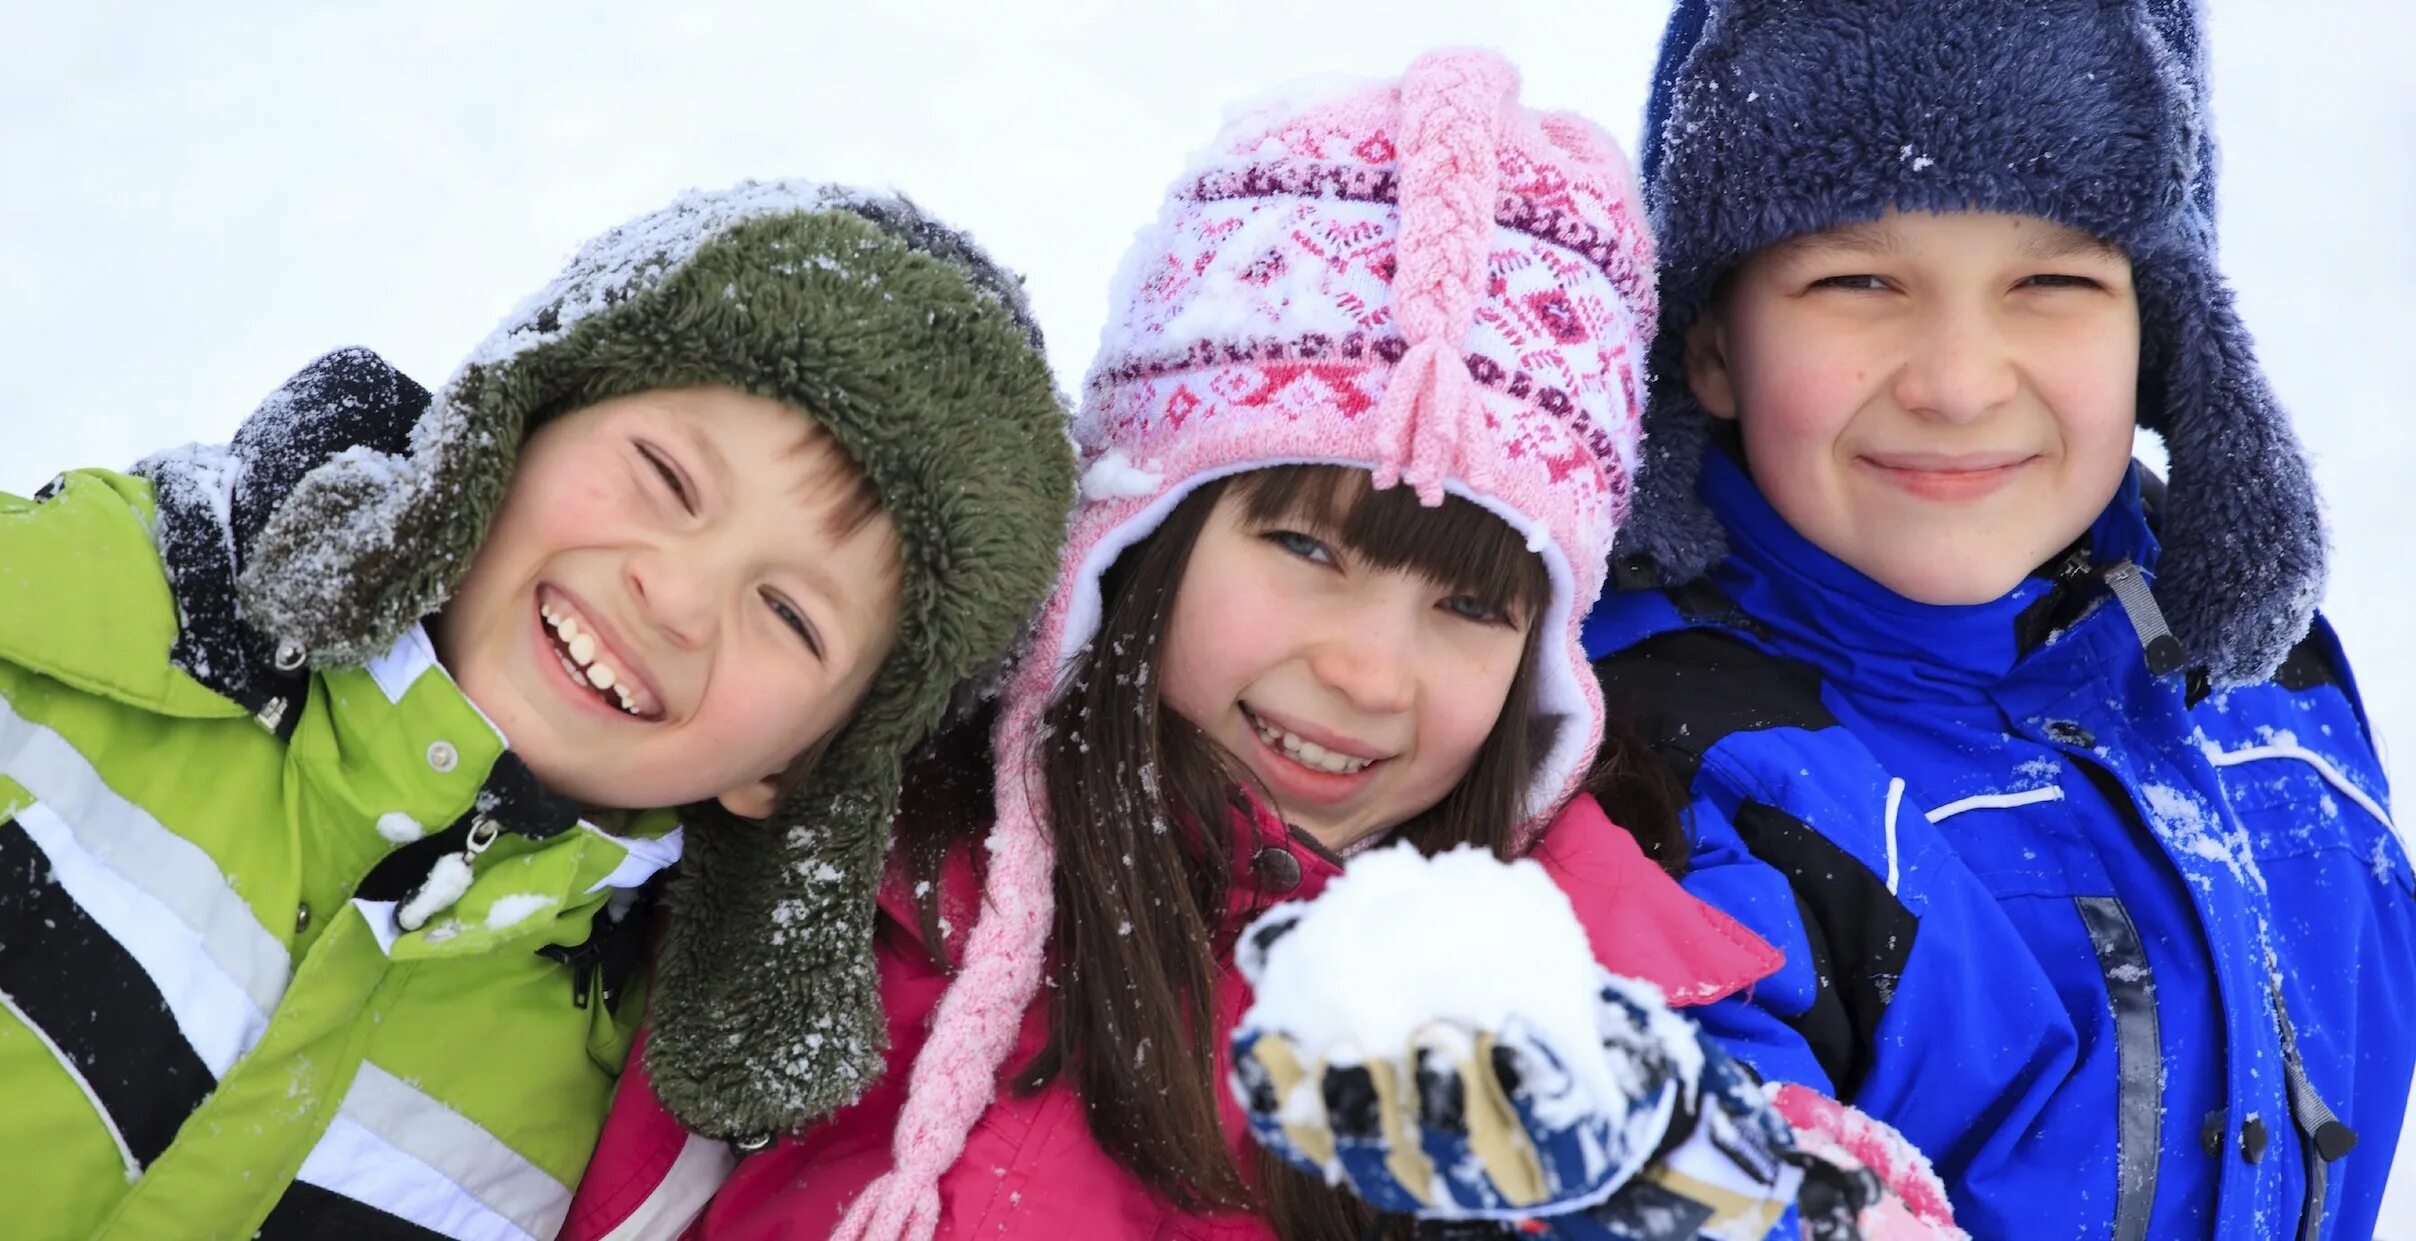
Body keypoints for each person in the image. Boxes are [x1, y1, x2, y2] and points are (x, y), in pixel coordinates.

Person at [565, 50, 1955, 1241]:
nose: (1366, 668)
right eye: (1303, 548)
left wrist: (1674, 1158)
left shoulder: (1570, 997)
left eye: (1471, 607)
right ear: (1139, 537)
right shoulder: (847, 855)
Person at [0, 180, 1075, 1239]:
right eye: (668, 478)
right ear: (513, 416)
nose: (674, 596)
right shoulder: (19, 648)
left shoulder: (628, 1157)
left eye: (788, 613)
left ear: (803, 770)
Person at [1583, 1, 2416, 1237]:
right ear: (1708, 341)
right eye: (1858, 279)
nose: (1960, 383)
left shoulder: (2260, 674)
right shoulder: (1672, 767)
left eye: (2052, 279)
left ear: (2161, 329)